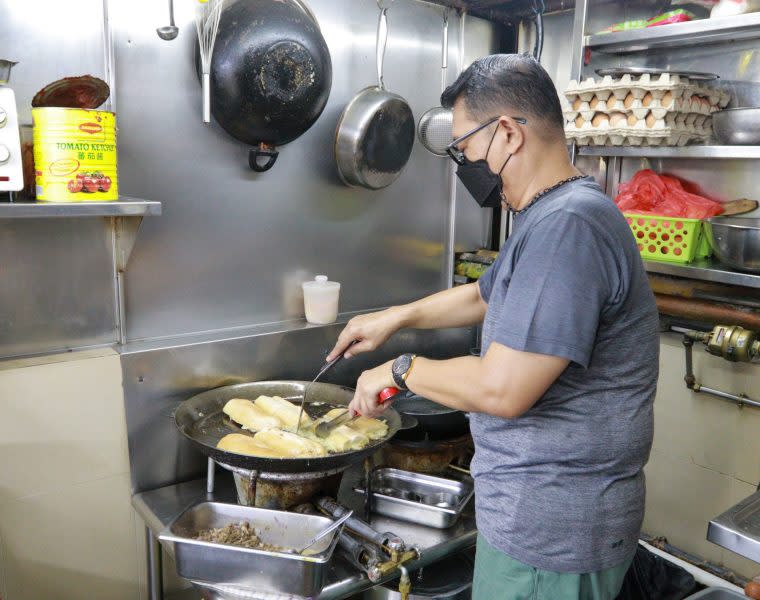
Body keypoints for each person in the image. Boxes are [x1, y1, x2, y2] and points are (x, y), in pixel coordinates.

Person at [327, 53, 659, 600]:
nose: (465, 163)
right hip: (544, 525)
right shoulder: (555, 213)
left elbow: (503, 390)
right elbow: (487, 293)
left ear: (507, 133)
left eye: (465, 148)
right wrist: (396, 318)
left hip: (551, 539)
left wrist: (401, 368)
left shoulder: (568, 228)